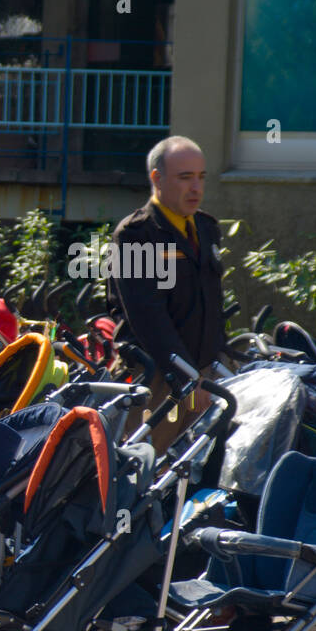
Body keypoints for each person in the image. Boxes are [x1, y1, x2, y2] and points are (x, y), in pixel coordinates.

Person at [107, 135, 227, 451]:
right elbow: (149, 319)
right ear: (157, 179)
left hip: (203, 374)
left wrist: (213, 366)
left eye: (201, 177)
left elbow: (213, 306)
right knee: (143, 470)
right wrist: (186, 377)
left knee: (200, 471)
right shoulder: (135, 234)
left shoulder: (206, 228)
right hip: (159, 379)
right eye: (185, 177)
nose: (196, 188)